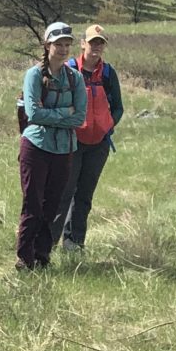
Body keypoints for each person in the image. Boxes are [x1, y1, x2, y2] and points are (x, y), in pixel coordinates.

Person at [16, 22, 85, 271]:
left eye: (67, 44)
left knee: (53, 206)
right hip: (36, 146)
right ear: (47, 46)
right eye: (59, 44)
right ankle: (25, 258)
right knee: (32, 204)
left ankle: (43, 257)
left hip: (64, 149)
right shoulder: (33, 75)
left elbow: (80, 117)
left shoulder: (75, 78)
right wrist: (63, 113)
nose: (64, 49)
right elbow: (33, 113)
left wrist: (52, 114)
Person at [51, 24, 124, 253]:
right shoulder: (70, 70)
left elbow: (119, 108)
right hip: (72, 142)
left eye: (100, 42)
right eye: (92, 42)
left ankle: (74, 243)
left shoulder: (109, 73)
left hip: (99, 145)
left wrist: (106, 127)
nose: (96, 47)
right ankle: (49, 242)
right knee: (64, 192)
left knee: (84, 195)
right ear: (83, 44)